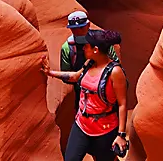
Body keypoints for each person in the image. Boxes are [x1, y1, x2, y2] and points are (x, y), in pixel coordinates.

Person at [42, 30, 128, 161]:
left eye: (86, 46)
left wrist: (121, 135)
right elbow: (76, 76)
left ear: (96, 49)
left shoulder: (115, 72)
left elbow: (122, 104)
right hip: (82, 125)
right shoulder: (89, 64)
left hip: (104, 129)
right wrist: (50, 73)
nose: (83, 48)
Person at [61, 11, 119, 110]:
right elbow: (66, 75)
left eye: (81, 28)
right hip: (83, 96)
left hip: (106, 93)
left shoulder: (103, 41)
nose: (78, 31)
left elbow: (115, 64)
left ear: (88, 25)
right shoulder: (67, 48)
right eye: (74, 29)